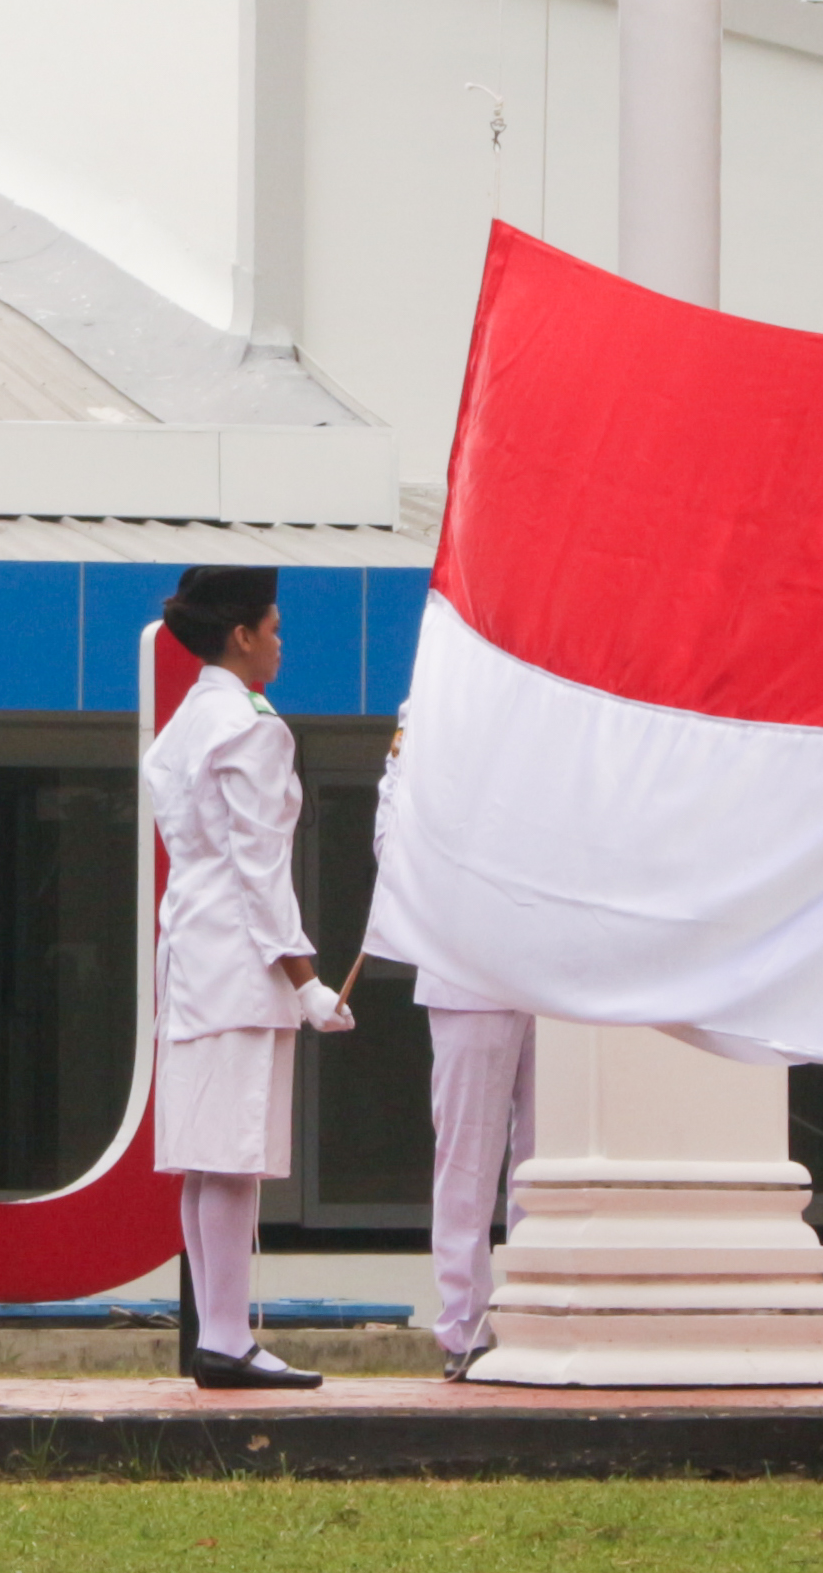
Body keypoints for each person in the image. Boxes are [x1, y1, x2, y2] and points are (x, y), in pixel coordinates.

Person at [139, 566, 354, 1393]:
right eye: (273, 626)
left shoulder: (194, 715)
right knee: (229, 1156)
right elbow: (261, 868)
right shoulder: (254, 728)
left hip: (193, 948)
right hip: (239, 956)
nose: (280, 640)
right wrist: (303, 978)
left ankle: (221, 1334)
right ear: (242, 636)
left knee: (206, 1157)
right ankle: (226, 1338)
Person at [368, 723, 535, 1381]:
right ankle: (465, 1326)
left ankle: (531, 1312)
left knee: (545, 1157)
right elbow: (393, 836)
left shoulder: (548, 693)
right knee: (468, 1153)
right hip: (468, 955)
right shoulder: (435, 703)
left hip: (556, 961)